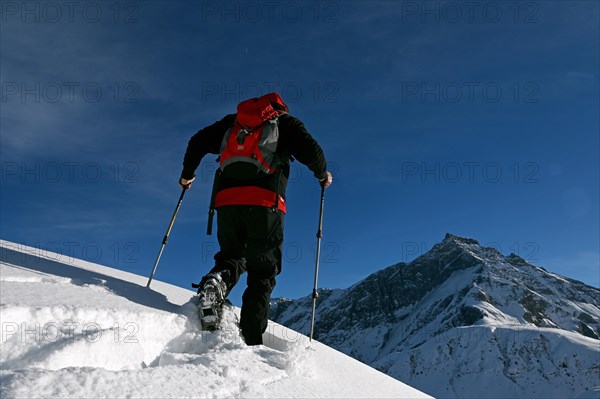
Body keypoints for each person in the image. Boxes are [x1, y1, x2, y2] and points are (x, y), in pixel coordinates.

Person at [179, 92, 332, 345]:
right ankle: (251, 339)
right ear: (280, 108)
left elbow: (197, 141)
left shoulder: (233, 122)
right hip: (265, 205)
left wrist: (187, 176)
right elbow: (312, 151)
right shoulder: (286, 123)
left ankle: (216, 283)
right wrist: (322, 174)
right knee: (263, 271)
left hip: (226, 202)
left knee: (232, 256)